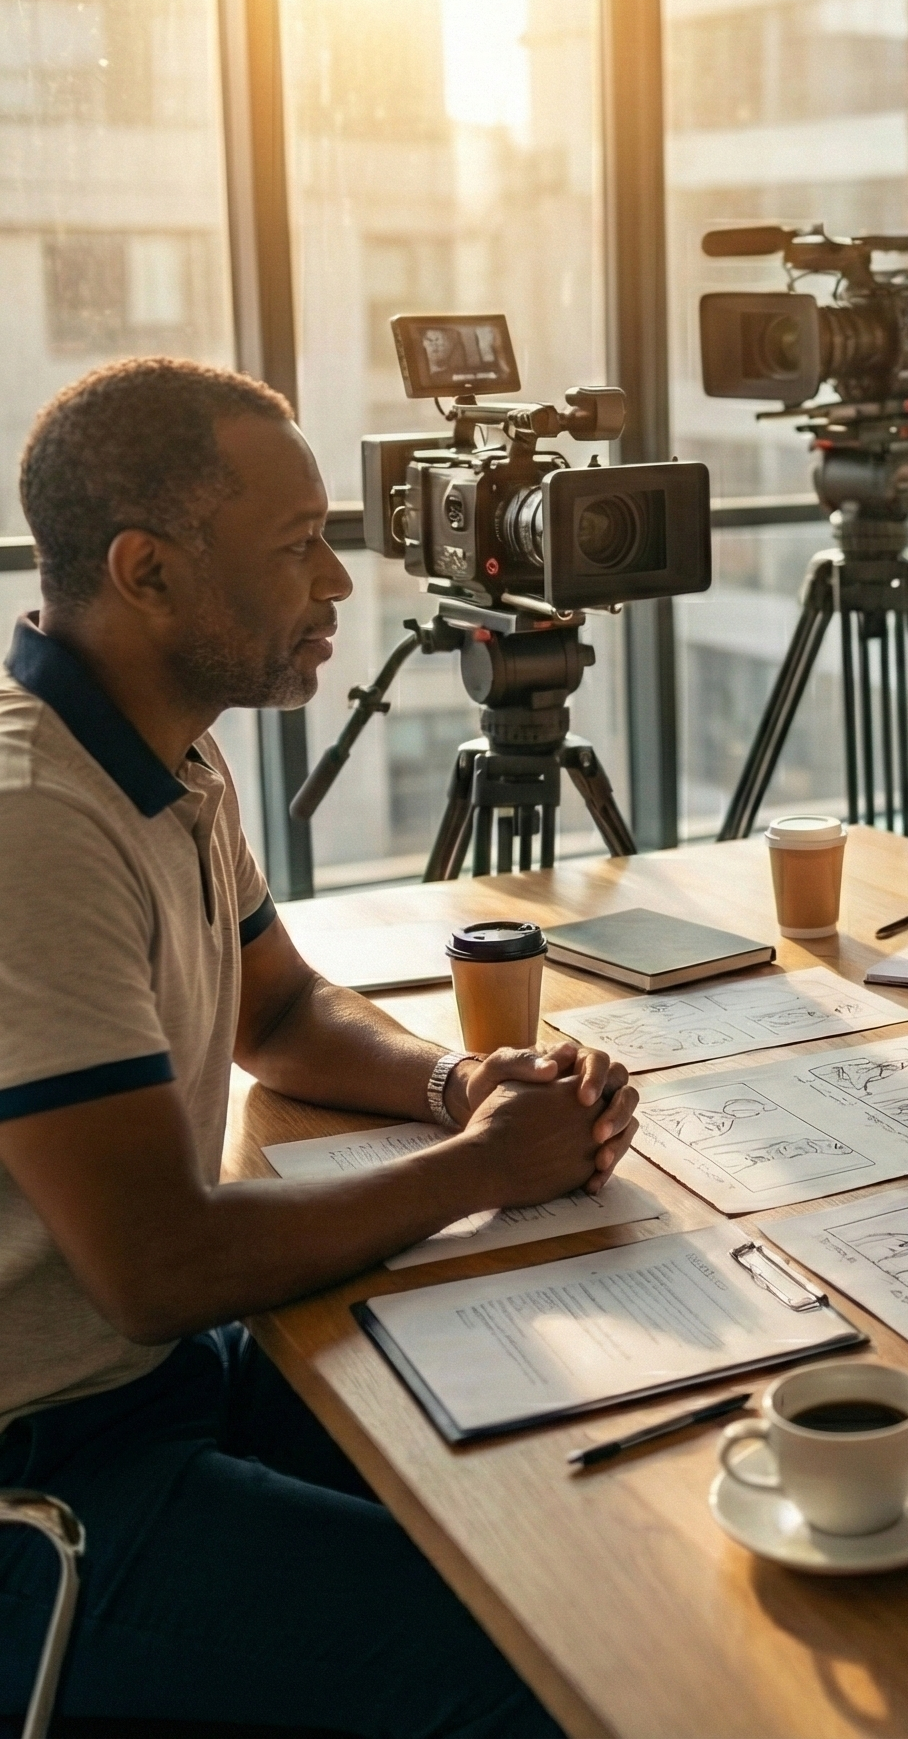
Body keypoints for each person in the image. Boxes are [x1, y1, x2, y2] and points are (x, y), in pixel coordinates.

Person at [0, 358, 641, 1735]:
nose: (339, 588)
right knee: (534, 1663)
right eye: (298, 549)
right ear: (149, 574)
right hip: (46, 1486)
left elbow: (277, 1013)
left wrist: (457, 1084)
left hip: (167, 1389)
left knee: (574, 1513)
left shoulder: (165, 749)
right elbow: (156, 1268)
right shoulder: (29, 822)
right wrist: (481, 1167)